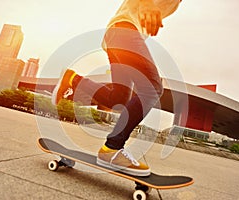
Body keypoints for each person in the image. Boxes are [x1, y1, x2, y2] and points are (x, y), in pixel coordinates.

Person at [52, 0, 182, 176]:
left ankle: (72, 79)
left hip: (118, 36)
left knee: (118, 99)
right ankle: (112, 149)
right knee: (152, 88)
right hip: (125, 31)